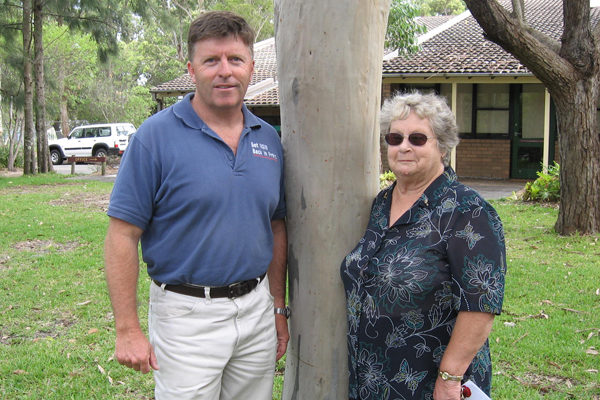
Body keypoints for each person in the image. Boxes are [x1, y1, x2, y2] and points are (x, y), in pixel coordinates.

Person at [104, 11, 289, 400]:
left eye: (235, 59)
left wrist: (277, 306)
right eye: (211, 61)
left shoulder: (268, 140)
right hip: (186, 316)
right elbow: (122, 234)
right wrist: (127, 329)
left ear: (251, 67)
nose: (225, 71)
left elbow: (275, 226)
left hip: (256, 312)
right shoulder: (154, 139)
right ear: (191, 70)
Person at [341, 92, 506, 400]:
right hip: (373, 379)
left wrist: (450, 378)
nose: (404, 147)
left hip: (431, 382)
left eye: (417, 139)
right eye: (395, 138)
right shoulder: (381, 203)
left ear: (442, 146)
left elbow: (480, 305)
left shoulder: (468, 211)